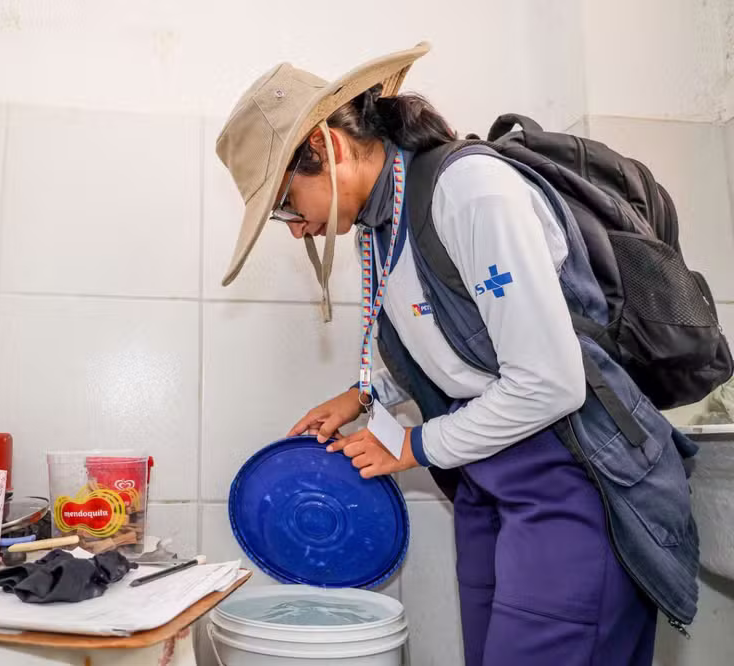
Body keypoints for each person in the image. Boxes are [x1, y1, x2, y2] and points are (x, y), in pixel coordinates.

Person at [213, 43, 667, 665]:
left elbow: (550, 381)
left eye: (288, 203)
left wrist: (411, 447)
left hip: (574, 476)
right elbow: (453, 342)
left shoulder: (469, 191)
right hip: (488, 480)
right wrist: (365, 395)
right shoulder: (379, 225)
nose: (294, 229)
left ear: (328, 147)